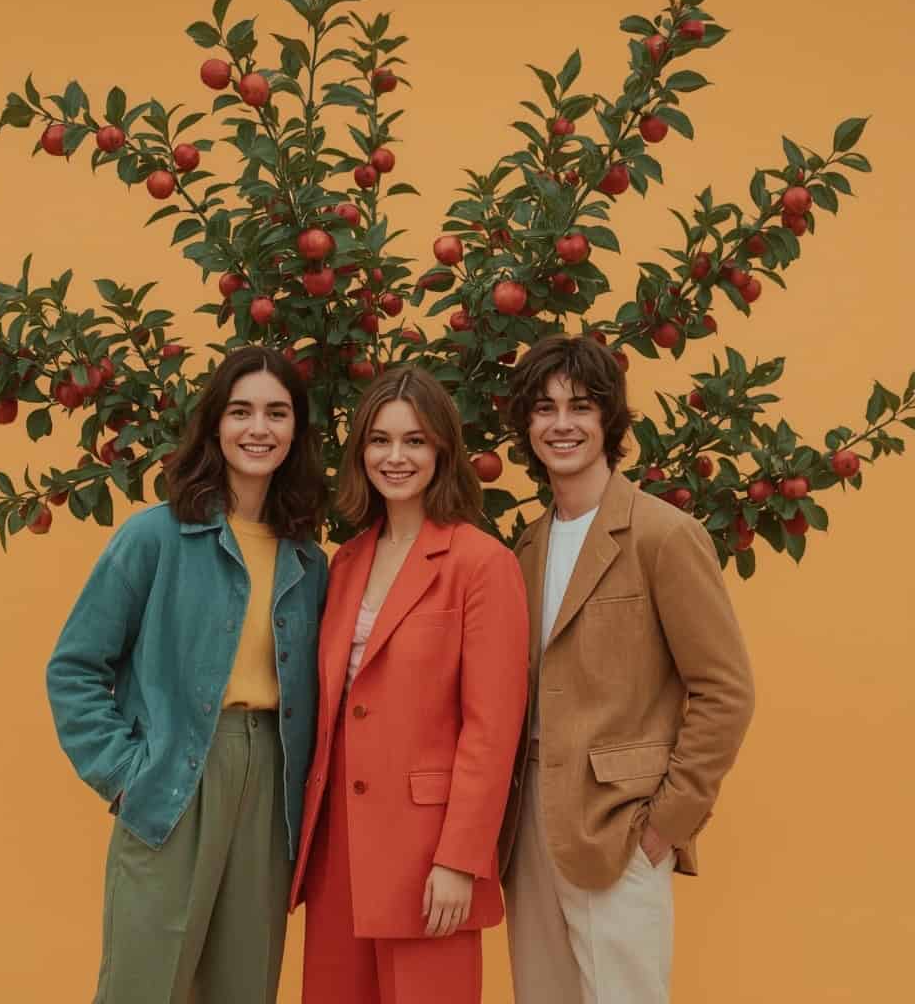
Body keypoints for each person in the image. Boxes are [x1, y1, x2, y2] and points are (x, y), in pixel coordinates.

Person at [46, 346, 328, 1004]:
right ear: (215, 425)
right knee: (146, 981)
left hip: (273, 784)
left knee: (244, 984)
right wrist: (123, 774)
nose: (259, 429)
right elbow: (75, 666)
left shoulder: (309, 562)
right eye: (242, 411)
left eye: (277, 413)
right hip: (175, 774)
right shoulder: (155, 538)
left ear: (296, 431)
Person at [499, 334, 755, 1004]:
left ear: (610, 420)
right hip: (527, 832)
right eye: (545, 408)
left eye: (580, 406)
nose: (562, 423)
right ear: (525, 426)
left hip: (620, 828)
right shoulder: (524, 547)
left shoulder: (663, 535)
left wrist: (667, 823)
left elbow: (726, 690)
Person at [292, 366, 529, 1004]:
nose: (395, 457)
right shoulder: (345, 562)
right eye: (379, 440)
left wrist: (460, 860)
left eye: (415, 441)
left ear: (444, 452)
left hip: (430, 856)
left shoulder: (483, 564)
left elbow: (493, 728)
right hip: (339, 848)